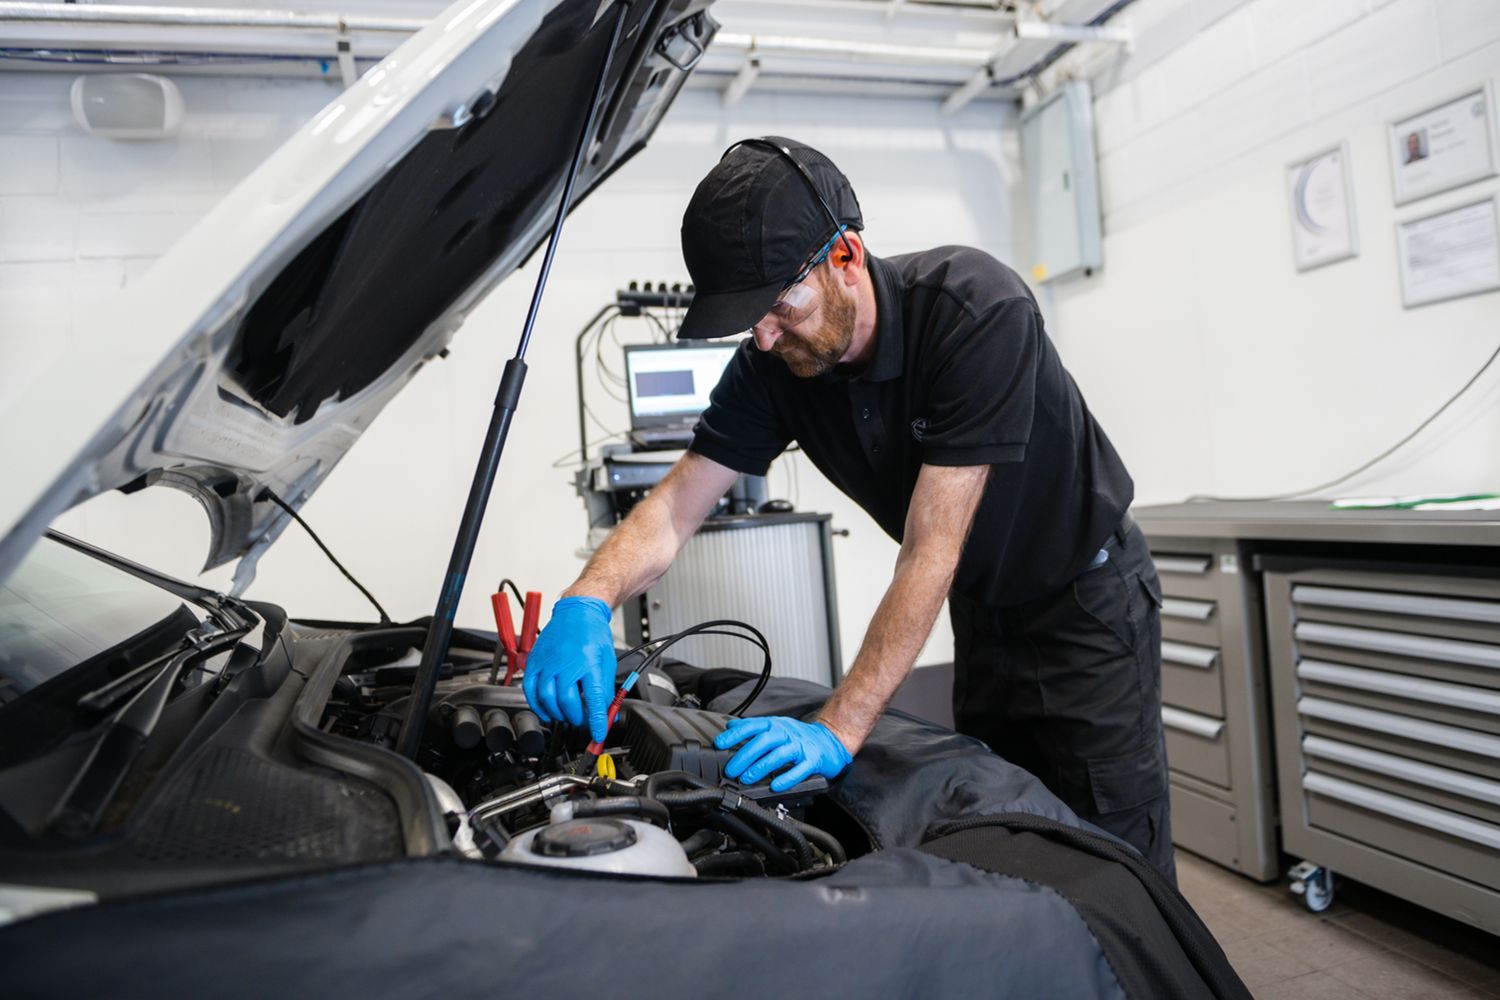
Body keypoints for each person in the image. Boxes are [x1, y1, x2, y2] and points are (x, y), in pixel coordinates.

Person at [523, 136, 1174, 880]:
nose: (764, 335)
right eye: (749, 319)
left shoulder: (975, 312)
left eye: (778, 305)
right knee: (1014, 822)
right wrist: (587, 599)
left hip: (1084, 603)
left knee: (1113, 847)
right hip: (983, 610)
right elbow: (677, 503)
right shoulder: (772, 364)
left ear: (845, 257)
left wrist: (838, 727)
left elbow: (931, 547)